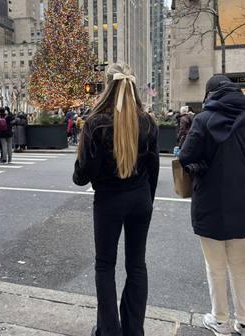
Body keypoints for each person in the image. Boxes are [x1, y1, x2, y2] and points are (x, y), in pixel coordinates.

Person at [73, 63, 160, 336]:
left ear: (107, 87)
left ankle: (109, 331)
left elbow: (82, 176)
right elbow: (154, 169)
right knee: (137, 265)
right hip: (140, 199)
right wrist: (147, 199)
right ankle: (134, 330)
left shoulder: (95, 124)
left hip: (109, 201)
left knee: (105, 266)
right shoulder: (147, 122)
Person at [180, 75, 245, 336]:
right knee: (241, 266)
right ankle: (243, 319)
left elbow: (186, 156)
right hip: (242, 205)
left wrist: (199, 168)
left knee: (215, 266)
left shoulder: (203, 120)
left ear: (210, 94)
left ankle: (220, 320)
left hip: (210, 204)